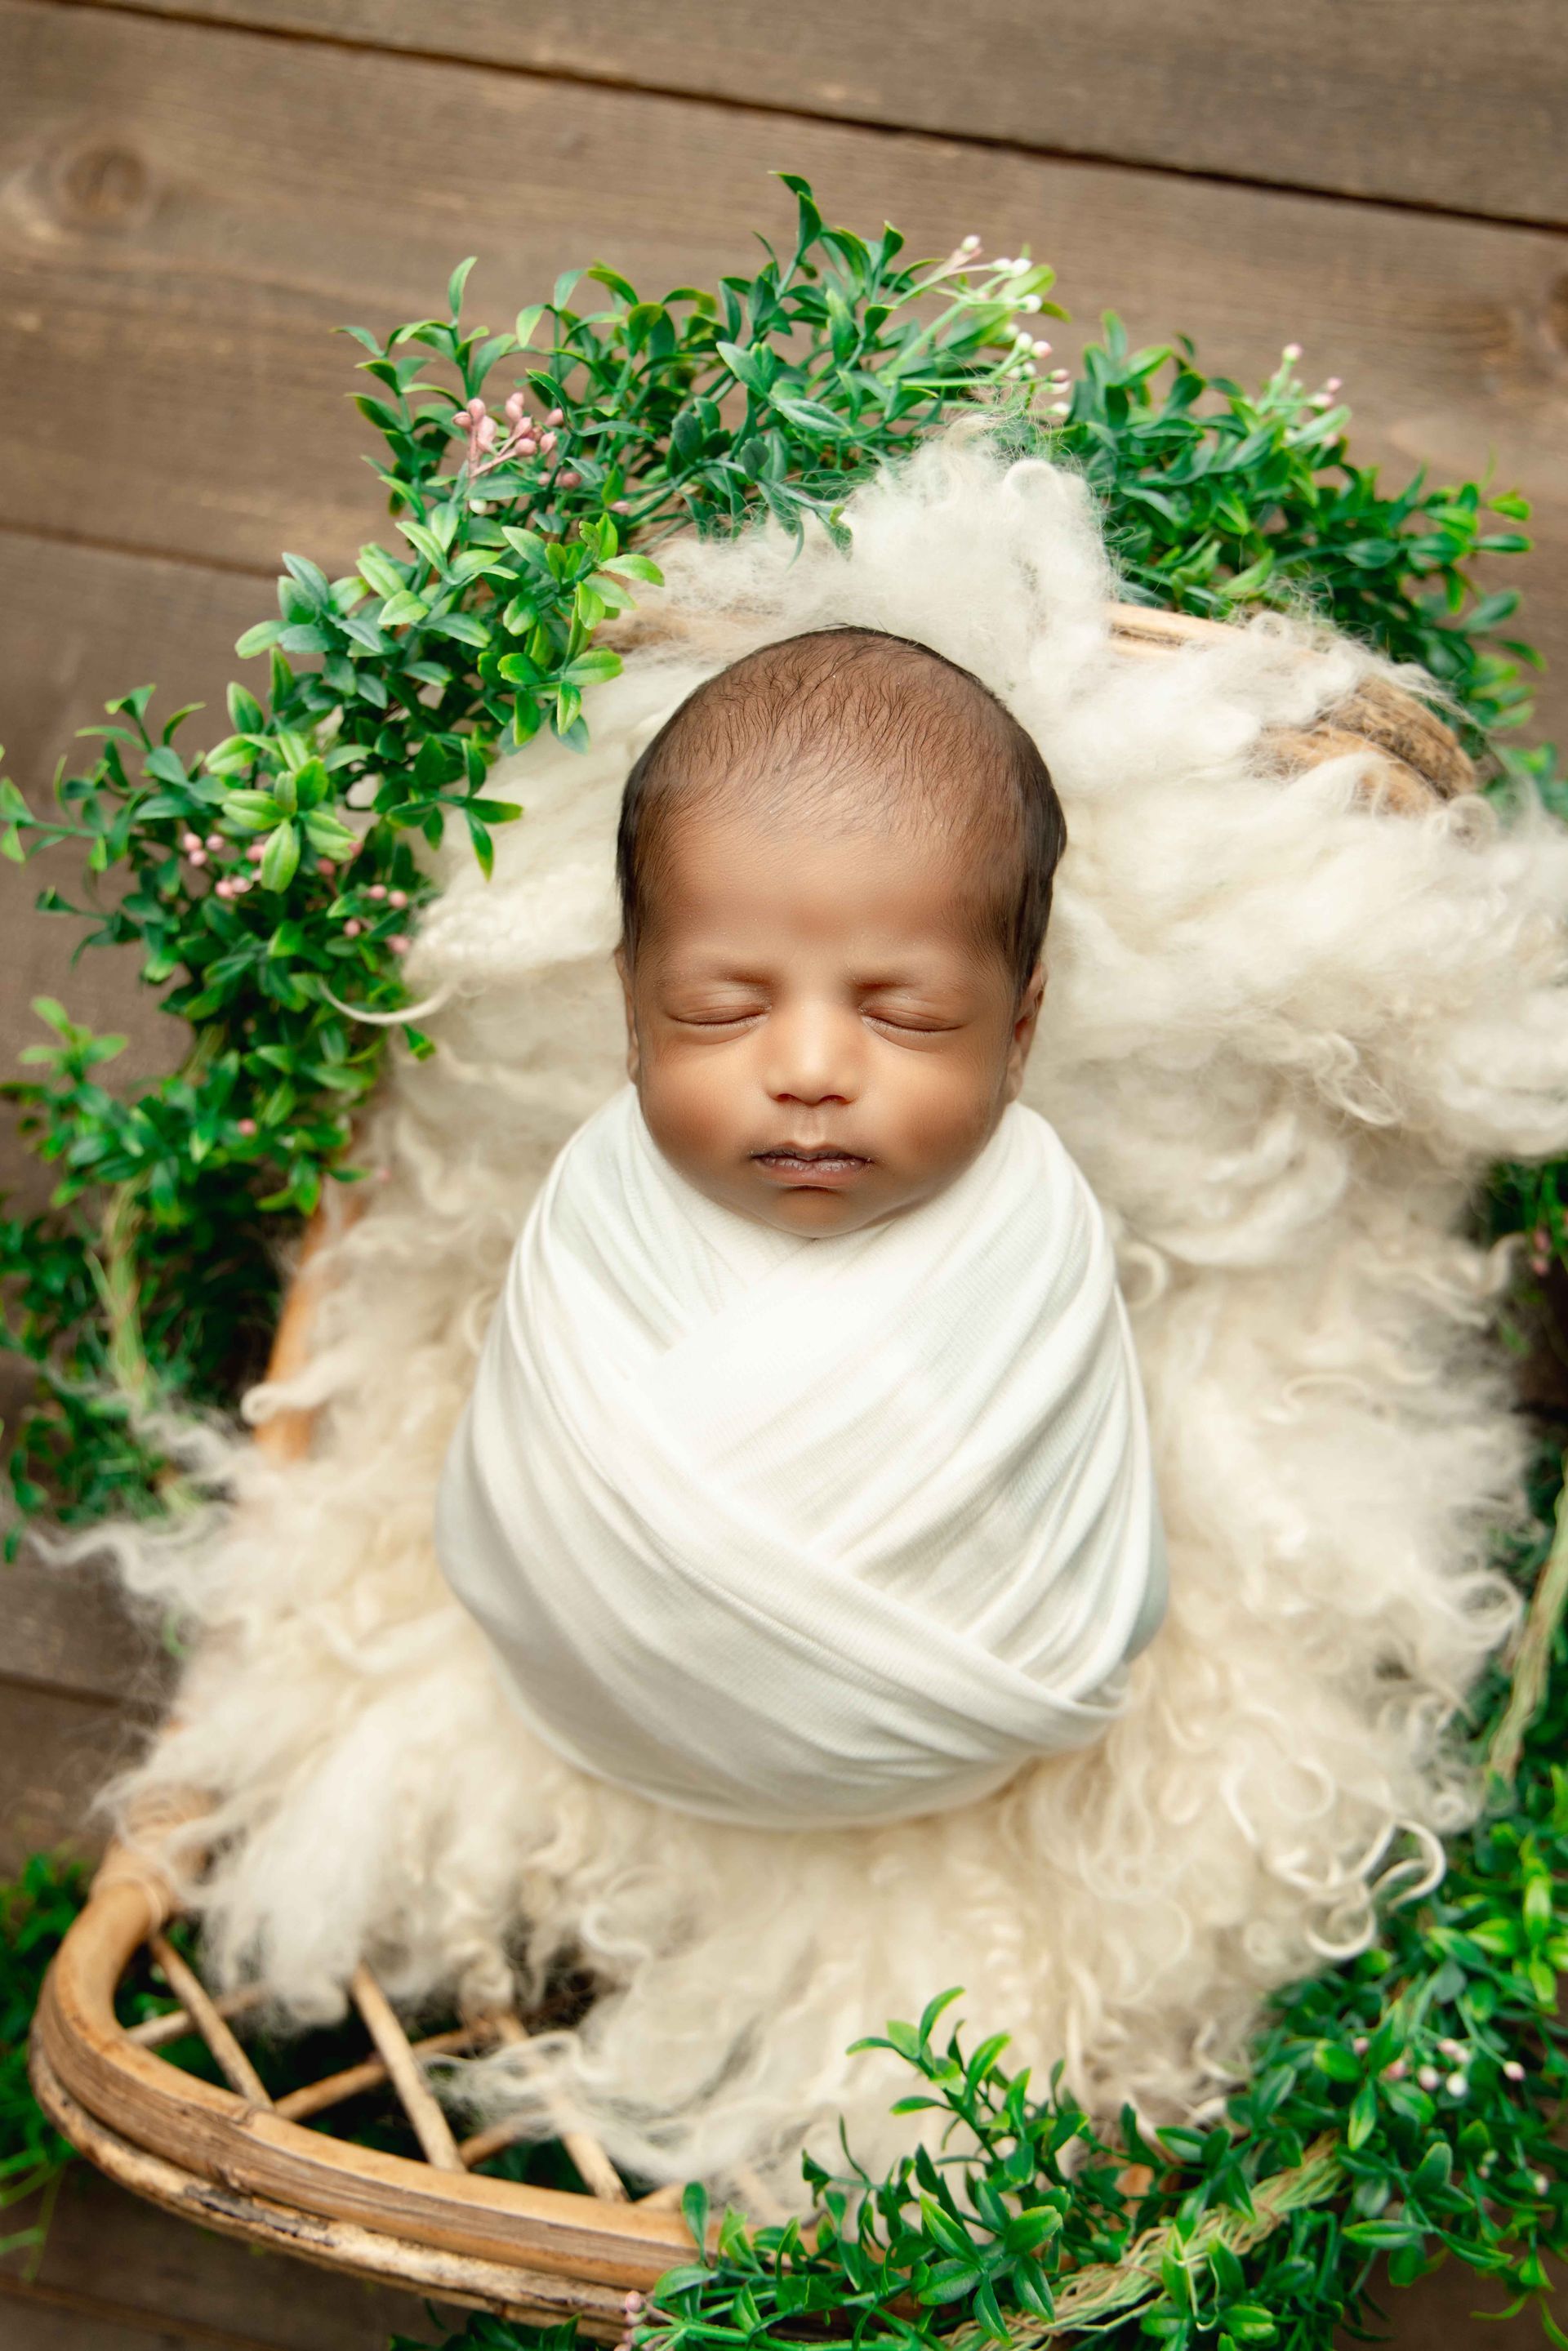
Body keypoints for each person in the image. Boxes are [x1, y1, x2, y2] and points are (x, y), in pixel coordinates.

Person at [433, 625, 1167, 1829]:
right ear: (632, 1015)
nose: (812, 1069)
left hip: (951, 1723)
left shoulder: (1034, 1224)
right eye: (721, 1011)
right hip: (594, 1697)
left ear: (1020, 1029)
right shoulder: (600, 1198)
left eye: (912, 1016)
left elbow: (1088, 1514)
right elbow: (520, 1480)